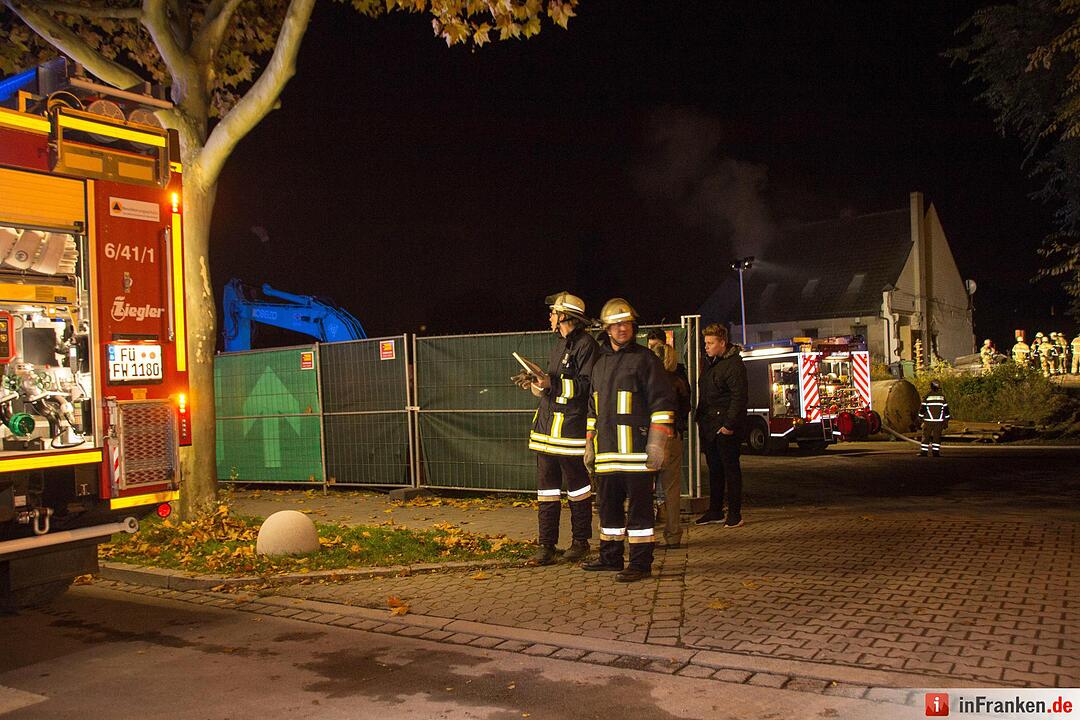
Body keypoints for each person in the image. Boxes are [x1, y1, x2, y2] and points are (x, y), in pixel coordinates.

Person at [581, 298, 676, 582]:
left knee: (640, 511)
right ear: (607, 328)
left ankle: (640, 563)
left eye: (627, 324)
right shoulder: (599, 363)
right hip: (608, 453)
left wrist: (657, 445)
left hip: (637, 453)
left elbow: (662, 403)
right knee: (608, 507)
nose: (623, 329)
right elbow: (592, 407)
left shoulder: (647, 360)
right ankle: (610, 557)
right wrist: (589, 443)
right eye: (617, 324)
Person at [514, 291, 599, 566]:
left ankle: (580, 542)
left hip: (570, 432)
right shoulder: (560, 344)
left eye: (553, 312)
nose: (549, 317)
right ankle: (546, 546)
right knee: (546, 492)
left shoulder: (587, 345)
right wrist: (536, 382)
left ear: (564, 315)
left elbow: (586, 387)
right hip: (546, 431)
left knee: (578, 489)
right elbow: (553, 383)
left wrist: (552, 382)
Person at [694, 323, 748, 528]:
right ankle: (715, 511)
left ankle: (734, 514)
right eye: (705, 342)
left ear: (722, 343)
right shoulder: (713, 364)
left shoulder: (733, 365)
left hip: (723, 428)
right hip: (710, 425)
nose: (706, 346)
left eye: (710, 343)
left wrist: (728, 425)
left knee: (730, 471)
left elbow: (739, 397)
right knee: (715, 470)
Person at [650, 341, 691, 549]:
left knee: (645, 486)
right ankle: (673, 535)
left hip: (653, 438)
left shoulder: (651, 382)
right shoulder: (679, 382)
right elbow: (686, 409)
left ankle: (645, 534)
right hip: (674, 436)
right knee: (672, 489)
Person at [918, 379, 950, 457]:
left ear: (931, 386)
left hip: (928, 421)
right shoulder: (942, 397)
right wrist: (946, 420)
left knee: (926, 436)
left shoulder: (927, 396)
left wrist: (920, 418)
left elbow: (923, 409)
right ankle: (936, 452)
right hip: (939, 421)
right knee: (937, 437)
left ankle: (924, 452)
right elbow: (946, 410)